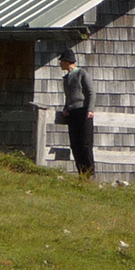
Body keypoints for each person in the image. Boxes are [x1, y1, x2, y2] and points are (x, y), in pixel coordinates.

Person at [57, 48, 95, 177]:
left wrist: (90, 109)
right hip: (72, 113)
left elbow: (91, 92)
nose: (60, 64)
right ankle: (81, 173)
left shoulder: (82, 74)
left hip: (83, 111)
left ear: (68, 62)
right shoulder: (66, 78)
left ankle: (90, 174)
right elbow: (68, 96)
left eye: (62, 61)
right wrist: (65, 108)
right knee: (75, 145)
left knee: (85, 144)